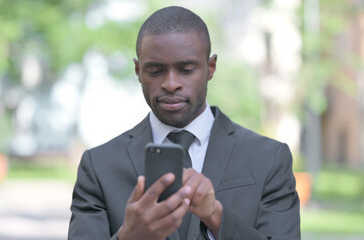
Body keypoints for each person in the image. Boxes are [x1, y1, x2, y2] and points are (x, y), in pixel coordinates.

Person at [68, 6, 300, 240]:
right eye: (155, 71)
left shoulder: (268, 158)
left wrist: (216, 216)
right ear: (138, 71)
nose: (170, 84)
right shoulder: (99, 166)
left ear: (211, 68)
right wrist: (127, 237)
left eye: (186, 70)